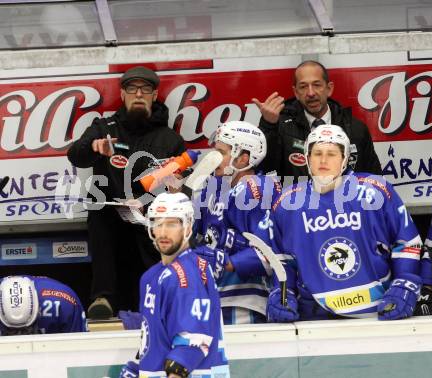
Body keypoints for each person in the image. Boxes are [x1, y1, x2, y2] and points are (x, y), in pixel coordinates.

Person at [265, 125, 424, 322]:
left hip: (377, 313)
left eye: (331, 154)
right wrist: (283, 293)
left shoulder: (375, 191)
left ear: (345, 159)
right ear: (307, 158)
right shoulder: (287, 202)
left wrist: (404, 282)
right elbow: (280, 258)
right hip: (314, 317)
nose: (323, 160)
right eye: (317, 154)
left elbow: (407, 242)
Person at [68, 66, 185, 319]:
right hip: (111, 209)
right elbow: (75, 155)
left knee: (163, 223)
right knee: (100, 213)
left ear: (155, 95)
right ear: (122, 94)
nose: (139, 94)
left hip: (148, 212)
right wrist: (92, 146)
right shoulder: (103, 126)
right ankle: (103, 299)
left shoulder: (170, 138)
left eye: (146, 89)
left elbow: (178, 184)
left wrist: (160, 194)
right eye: (132, 89)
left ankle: (160, 297)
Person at [119, 192, 230, 378]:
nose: (162, 232)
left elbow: (194, 341)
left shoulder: (188, 273)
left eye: (171, 224)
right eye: (157, 223)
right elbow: (156, 337)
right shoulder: (151, 276)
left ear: (187, 226)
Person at [194, 121, 282, 324]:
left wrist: (228, 261)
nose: (213, 158)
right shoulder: (217, 189)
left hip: (244, 302)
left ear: (243, 158)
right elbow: (192, 233)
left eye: (221, 153)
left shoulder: (255, 188)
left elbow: (269, 253)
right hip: (215, 298)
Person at [252, 60, 382, 183]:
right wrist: (268, 125)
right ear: (296, 93)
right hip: (297, 205)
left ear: (329, 88)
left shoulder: (355, 128)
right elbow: (265, 171)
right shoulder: (281, 127)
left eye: (317, 85)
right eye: (303, 87)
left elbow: (374, 178)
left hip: (343, 205)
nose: (310, 93)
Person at [0, 275, 87, 335]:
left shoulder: (65, 302)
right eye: (11, 331)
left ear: (38, 309)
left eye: (26, 330)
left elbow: (80, 347)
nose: (19, 337)